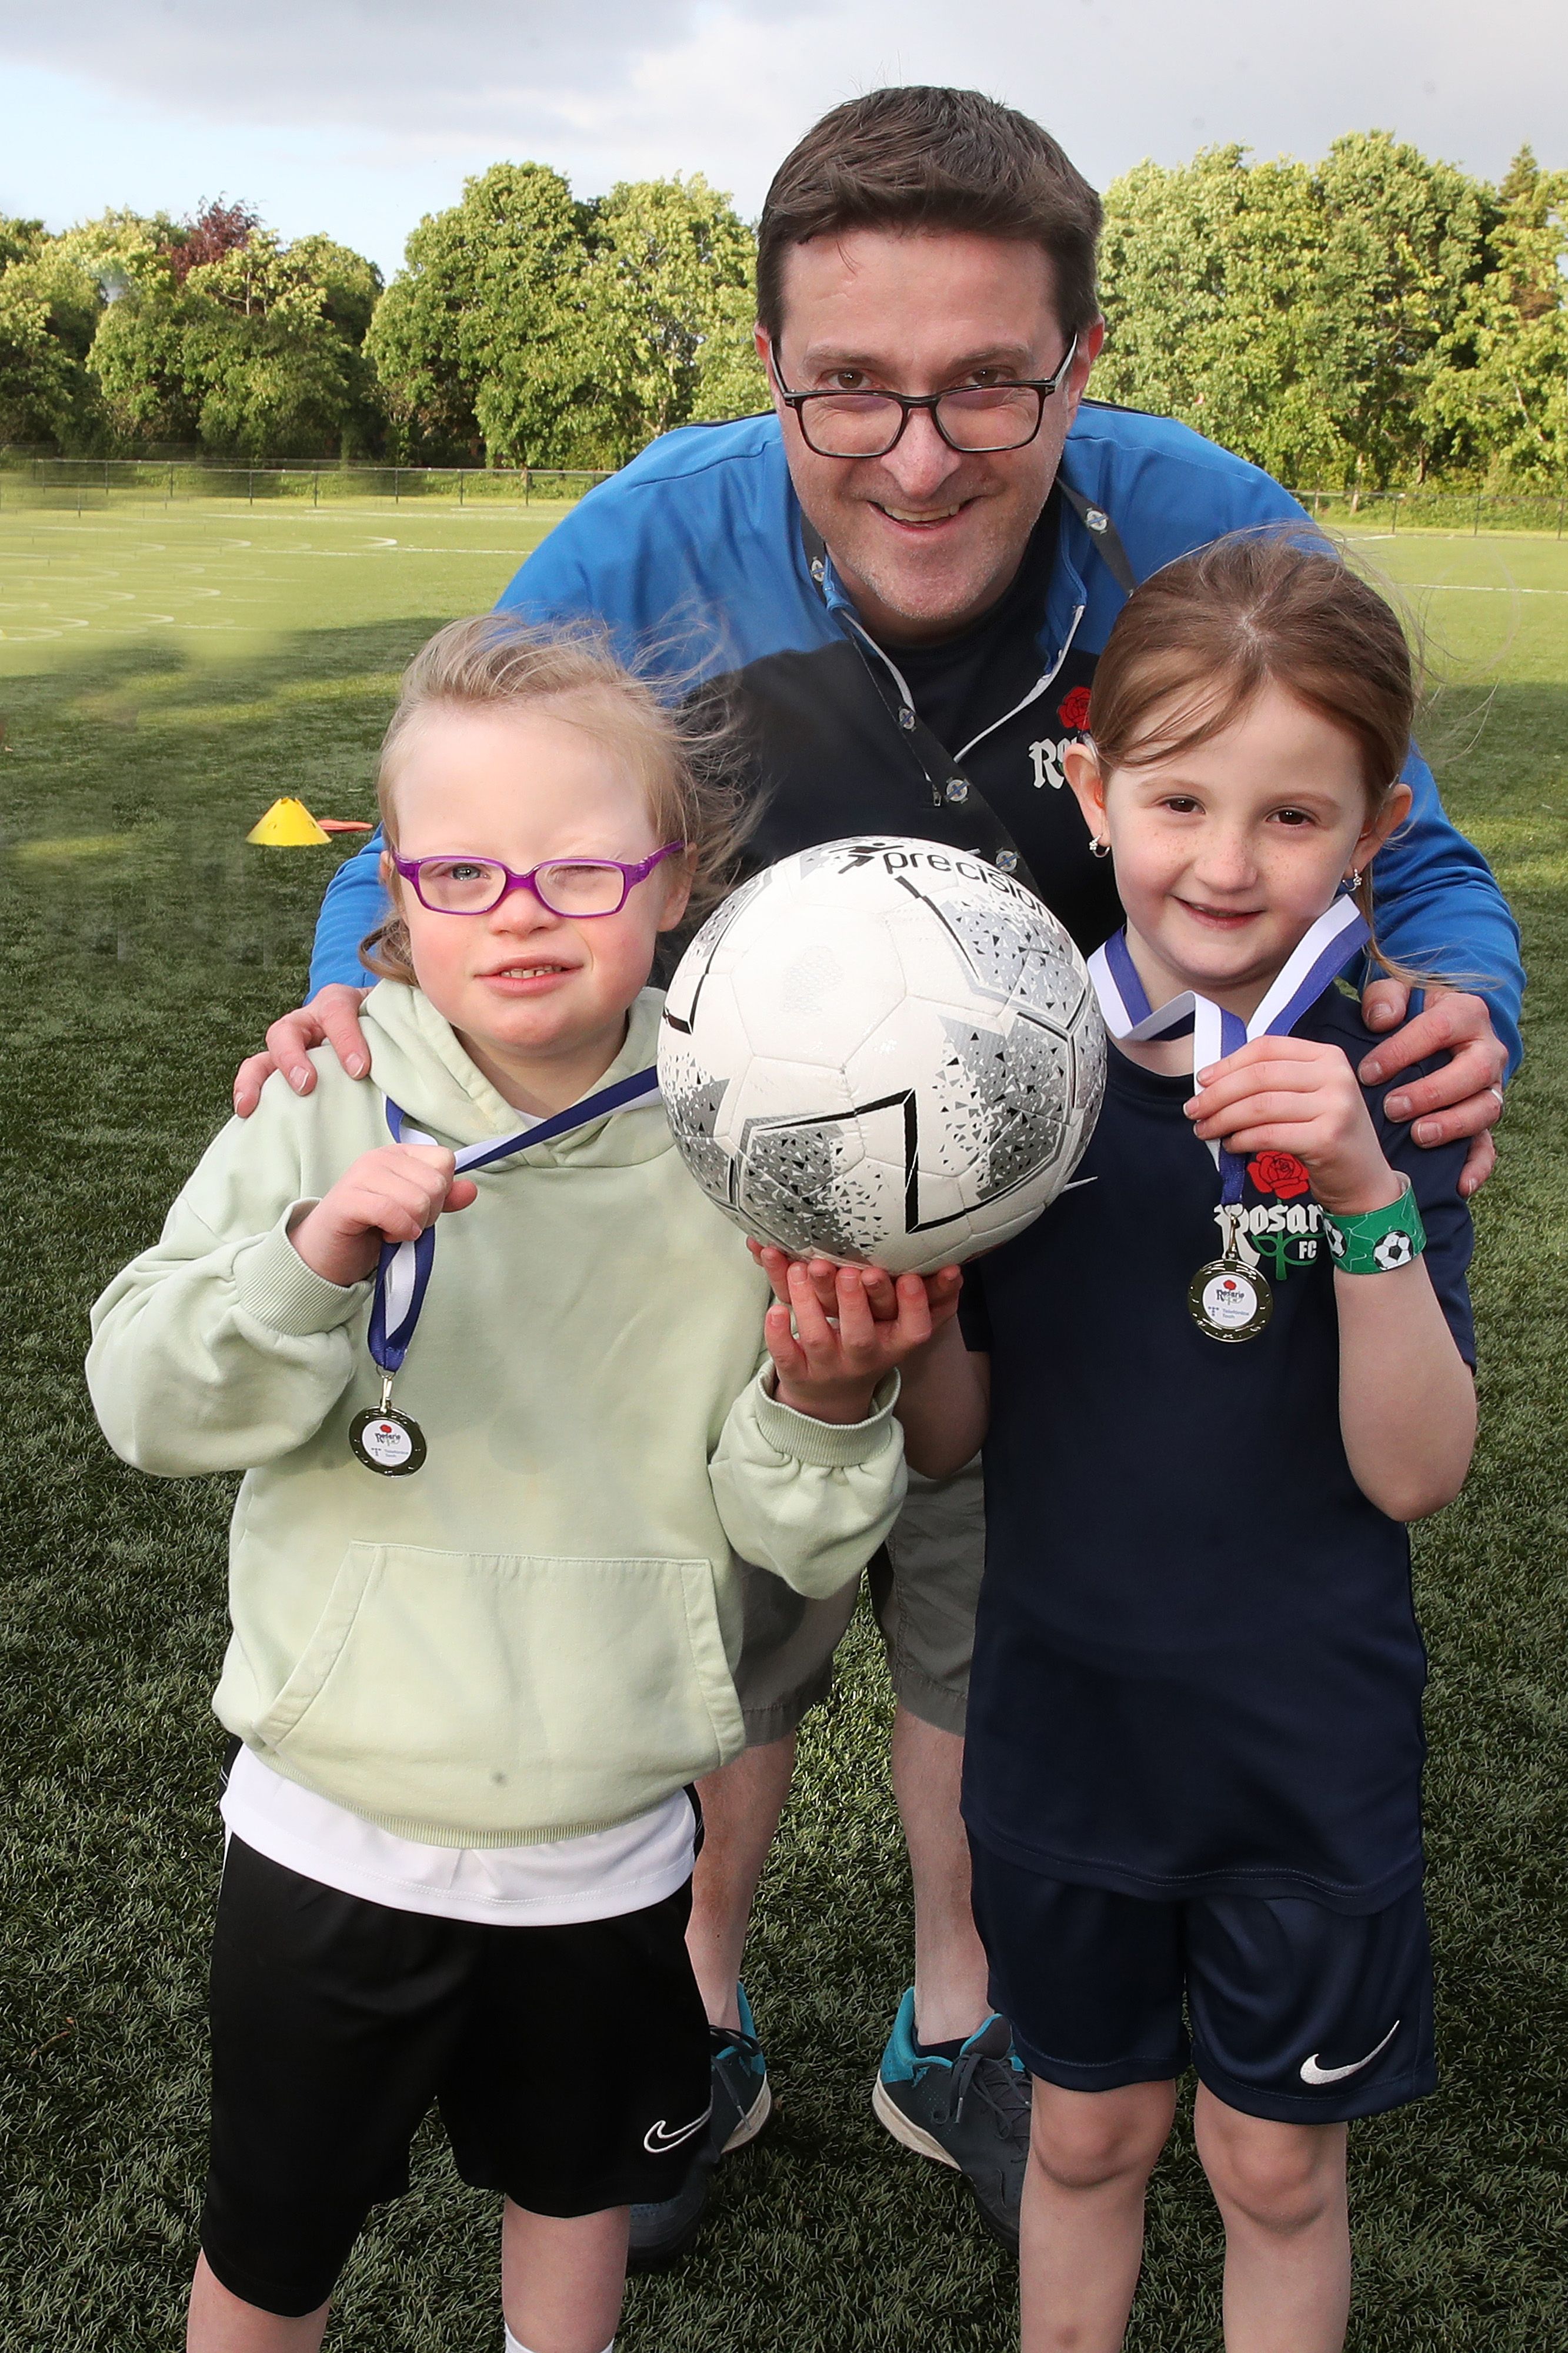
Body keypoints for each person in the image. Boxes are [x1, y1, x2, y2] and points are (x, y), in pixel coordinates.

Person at [228, 87, 1521, 2255]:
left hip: (1079, 1179)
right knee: (731, 1609)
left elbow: (1396, 818)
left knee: (990, 1586)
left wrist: (1466, 989)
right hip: (727, 1189)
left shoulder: (1198, 522)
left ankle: (964, 2022)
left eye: (985, 386)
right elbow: (460, 812)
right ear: (772, 370)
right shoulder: (654, 538)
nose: (918, 455)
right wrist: (357, 1007)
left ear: (1076, 366)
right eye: (853, 388)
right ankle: (689, 2021)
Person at [86, 616, 938, 2353]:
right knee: (272, 2246)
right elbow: (147, 1404)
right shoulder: (321, 1093)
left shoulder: (749, 1142)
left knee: (576, 2209)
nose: (523, 914)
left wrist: (832, 1399)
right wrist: (308, 1261)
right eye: (463, 874)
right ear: (395, 892)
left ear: (675, 880)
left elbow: (790, 1535)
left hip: (610, 1842)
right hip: (335, 1827)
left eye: (577, 868)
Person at [891, 530, 1479, 2351]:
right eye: (1176, 801)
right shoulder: (1004, 1069)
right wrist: (900, 1318)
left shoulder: (1401, 1079)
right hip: (1061, 1747)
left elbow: (1414, 1472)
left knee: (1276, 2171)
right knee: (1082, 2140)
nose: (1224, 863)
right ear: (1089, 789)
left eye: (1292, 817)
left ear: (1375, 823)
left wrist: (1371, 1196)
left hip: (1297, 1763)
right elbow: (948, 1449)